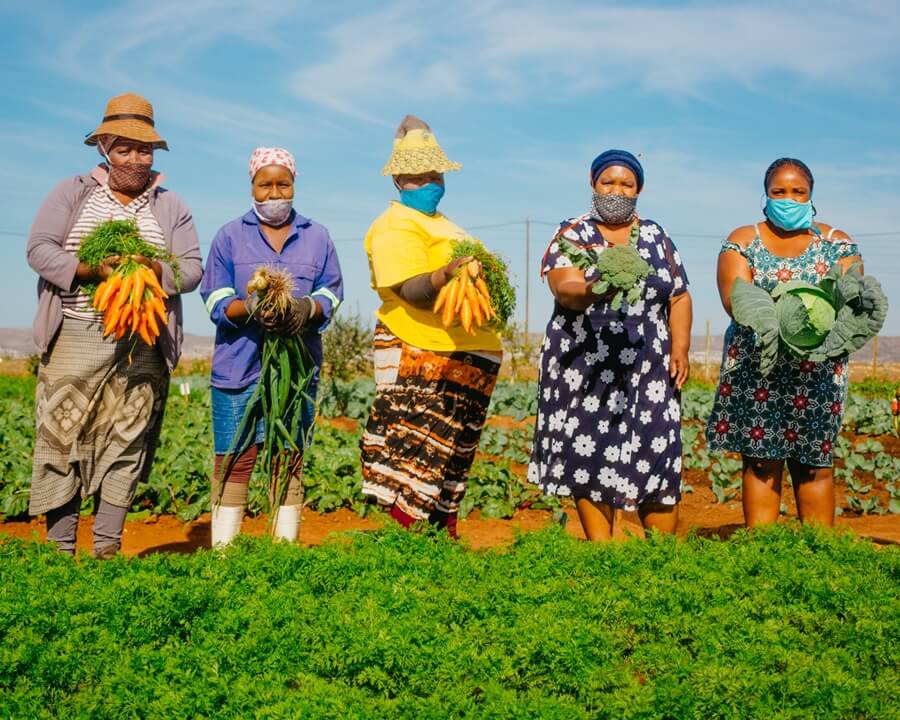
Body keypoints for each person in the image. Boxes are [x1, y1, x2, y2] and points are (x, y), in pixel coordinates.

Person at [26, 93, 203, 557]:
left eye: (144, 149)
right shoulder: (72, 192)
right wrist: (90, 270)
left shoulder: (171, 206)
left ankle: (107, 550)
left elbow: (191, 270)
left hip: (142, 340)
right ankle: (59, 553)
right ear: (103, 146)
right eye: (124, 147)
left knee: (127, 441)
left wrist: (150, 269)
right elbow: (39, 250)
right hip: (76, 334)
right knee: (61, 439)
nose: (135, 158)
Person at [527, 149, 692, 541]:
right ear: (593, 183)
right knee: (590, 452)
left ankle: (662, 557)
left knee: (657, 451)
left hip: (649, 367)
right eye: (608, 182)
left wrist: (680, 347)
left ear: (639, 190)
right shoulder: (573, 233)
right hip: (584, 369)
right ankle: (604, 554)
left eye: (626, 184)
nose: (616, 191)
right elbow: (565, 289)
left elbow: (679, 295)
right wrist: (597, 286)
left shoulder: (656, 236)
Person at [360, 115, 503, 538]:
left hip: (467, 352)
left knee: (452, 455)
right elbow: (409, 288)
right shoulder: (393, 224)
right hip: (420, 351)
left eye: (434, 172)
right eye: (418, 174)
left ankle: (441, 539)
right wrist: (444, 276)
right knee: (415, 453)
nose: (429, 181)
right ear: (398, 180)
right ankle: (406, 543)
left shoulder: (448, 226)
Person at [706, 158, 862, 528]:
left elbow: (852, 301)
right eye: (779, 191)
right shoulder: (744, 240)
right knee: (761, 461)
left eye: (798, 192)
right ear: (766, 194)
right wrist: (780, 321)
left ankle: (817, 554)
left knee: (815, 463)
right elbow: (735, 299)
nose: (788, 199)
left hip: (818, 370)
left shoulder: (837, 243)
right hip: (757, 368)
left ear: (811, 195)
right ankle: (764, 554)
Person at [200, 147, 343, 546]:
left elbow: (332, 292)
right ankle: (224, 554)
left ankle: (282, 551)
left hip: (295, 372)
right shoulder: (230, 236)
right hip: (238, 366)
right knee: (234, 457)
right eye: (266, 185)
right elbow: (213, 296)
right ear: (252, 187)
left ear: (294, 185)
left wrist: (306, 308)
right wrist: (250, 308)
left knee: (288, 455)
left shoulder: (317, 237)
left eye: (283, 184)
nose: (275, 193)